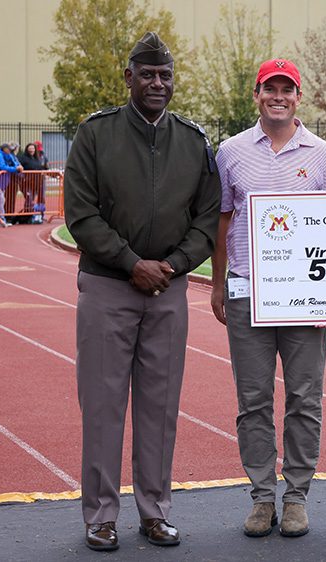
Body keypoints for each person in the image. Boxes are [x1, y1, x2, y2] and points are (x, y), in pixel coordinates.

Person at [63, 31, 220, 552]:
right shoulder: (95, 135)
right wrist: (132, 263)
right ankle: (101, 515)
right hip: (109, 288)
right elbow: (81, 216)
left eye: (166, 75)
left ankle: (155, 511)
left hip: (168, 292)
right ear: (128, 77)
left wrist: (172, 266)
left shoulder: (192, 141)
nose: (158, 83)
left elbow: (205, 219)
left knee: (160, 407)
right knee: (104, 406)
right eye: (148, 74)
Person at [211, 58, 326, 539]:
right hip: (248, 290)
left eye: (287, 89)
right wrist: (221, 283)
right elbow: (223, 220)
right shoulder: (230, 152)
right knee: (253, 400)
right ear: (257, 94)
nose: (279, 97)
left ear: (299, 97)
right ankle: (263, 496)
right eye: (271, 89)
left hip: (305, 298)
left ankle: (297, 497)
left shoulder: (325, 156)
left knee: (305, 399)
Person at [0, 143, 22, 227]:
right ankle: (1, 219)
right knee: (1, 199)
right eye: (9, 149)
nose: (10, 150)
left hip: (2, 182)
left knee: (1, 200)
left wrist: (19, 167)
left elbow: (15, 163)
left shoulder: (9, 155)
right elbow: (3, 166)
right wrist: (15, 169)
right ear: (4, 149)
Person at [19, 142, 46, 219]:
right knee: (29, 198)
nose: (31, 150)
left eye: (33, 148)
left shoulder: (37, 158)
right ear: (27, 149)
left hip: (38, 181)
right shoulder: (23, 158)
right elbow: (19, 168)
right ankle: (28, 215)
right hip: (27, 182)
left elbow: (41, 168)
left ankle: (41, 214)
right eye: (30, 148)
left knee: (41, 198)